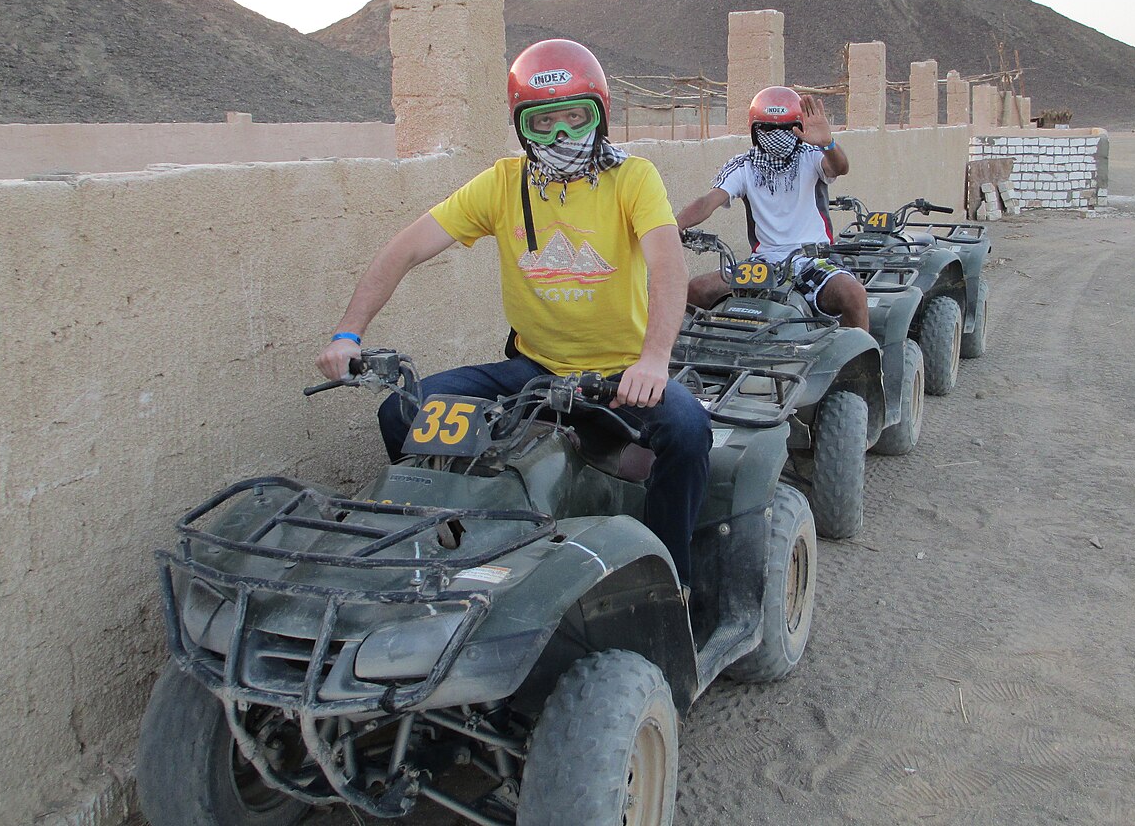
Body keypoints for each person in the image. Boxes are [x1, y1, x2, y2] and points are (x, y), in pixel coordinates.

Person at [316, 39, 711, 588]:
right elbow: (405, 249)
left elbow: (667, 265)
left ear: (600, 115)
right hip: (534, 371)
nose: (561, 135)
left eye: (575, 117)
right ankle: (448, 547)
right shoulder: (503, 183)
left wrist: (653, 359)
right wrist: (348, 333)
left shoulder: (633, 177)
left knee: (688, 431)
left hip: (619, 375)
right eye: (543, 122)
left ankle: (671, 579)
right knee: (401, 413)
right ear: (522, 126)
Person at [675, 86, 869, 330]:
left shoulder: (811, 156)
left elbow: (839, 168)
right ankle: (688, 350)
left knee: (853, 294)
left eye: (787, 128)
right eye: (767, 128)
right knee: (695, 290)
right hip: (763, 263)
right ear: (755, 130)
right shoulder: (744, 166)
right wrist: (676, 225)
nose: (777, 135)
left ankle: (862, 353)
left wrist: (828, 144)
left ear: (799, 127)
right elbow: (708, 201)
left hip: (813, 258)